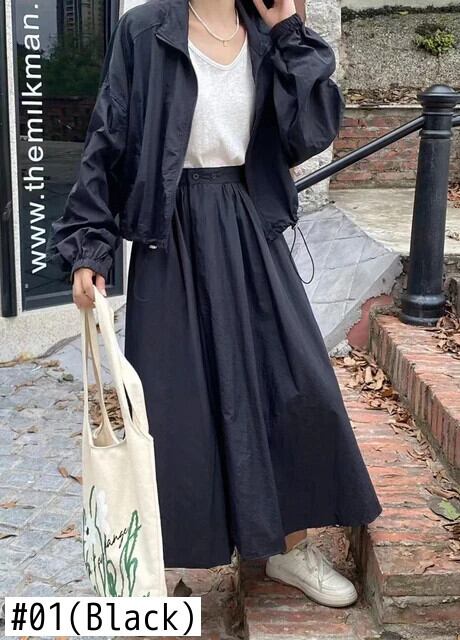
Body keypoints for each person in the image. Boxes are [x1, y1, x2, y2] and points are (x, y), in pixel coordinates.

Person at [47, 0, 382, 608]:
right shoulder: (146, 30)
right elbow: (108, 135)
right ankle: (169, 566)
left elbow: (311, 132)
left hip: (249, 222)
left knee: (295, 383)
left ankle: (288, 547)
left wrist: (289, 33)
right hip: (169, 234)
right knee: (175, 404)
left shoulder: (267, 32)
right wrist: (90, 246)